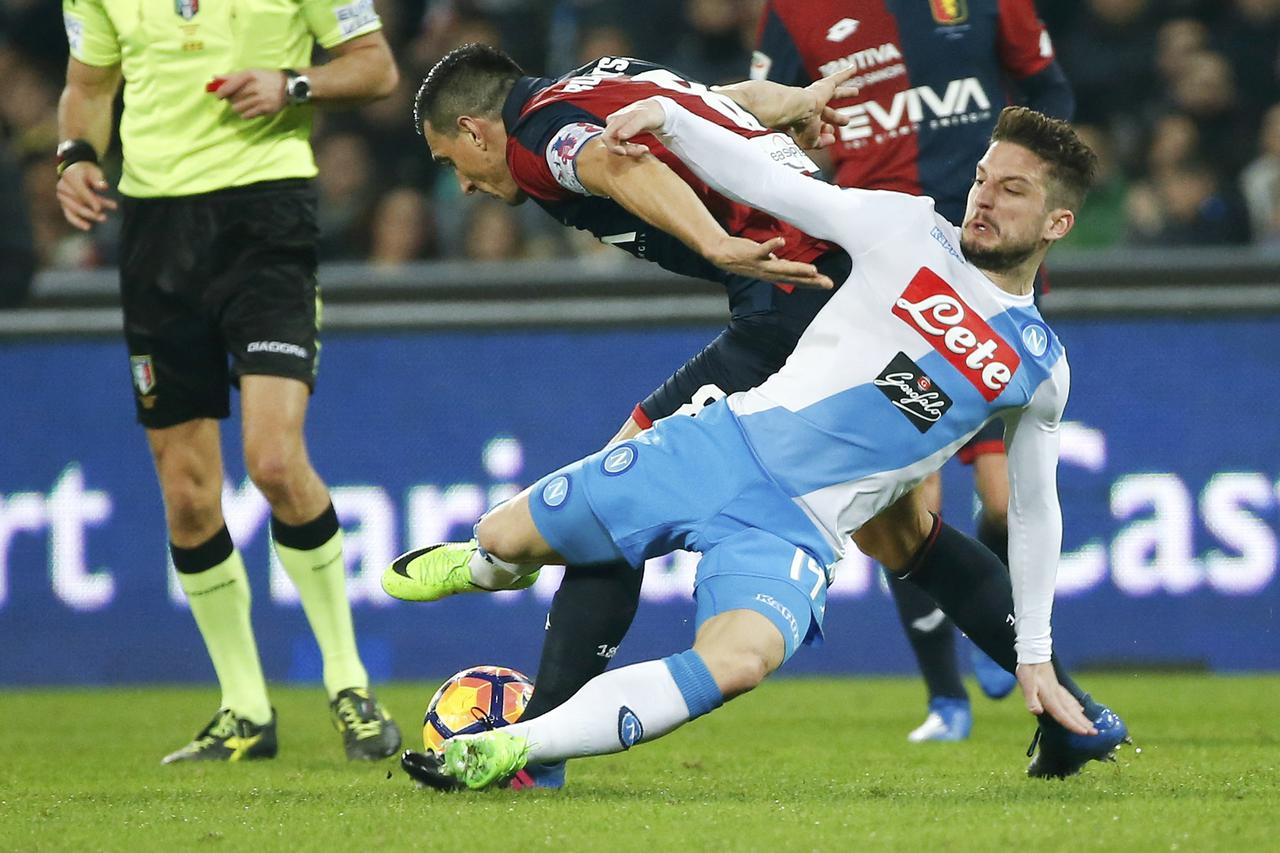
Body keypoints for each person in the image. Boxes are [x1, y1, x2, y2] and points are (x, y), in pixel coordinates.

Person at [390, 100, 1129, 791]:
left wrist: (1035, 653)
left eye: (1012, 191)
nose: (984, 200)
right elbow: (768, 181)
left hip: (795, 530)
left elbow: (1034, 513)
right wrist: (673, 120)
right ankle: (493, 563)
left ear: (1058, 223)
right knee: (506, 534)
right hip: (715, 447)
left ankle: (521, 744)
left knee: (739, 660)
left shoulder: (1039, 367)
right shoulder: (908, 229)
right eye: (980, 180)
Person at [401, 43, 853, 789]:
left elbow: (617, 165)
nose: (465, 186)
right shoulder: (604, 78)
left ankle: (508, 621)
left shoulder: (543, 140)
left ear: (478, 131)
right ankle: (1062, 705)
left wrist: (714, 241)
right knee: (908, 537)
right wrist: (796, 103)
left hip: (794, 307)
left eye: (453, 161)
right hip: (835, 294)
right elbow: (715, 102)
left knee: (609, 502)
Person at [56, 0, 402, 763]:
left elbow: (377, 67)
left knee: (273, 461)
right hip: (155, 232)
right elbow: (89, 84)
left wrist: (293, 86)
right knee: (185, 489)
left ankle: (350, 684)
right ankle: (244, 707)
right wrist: (77, 153)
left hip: (264, 219)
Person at [751, 0, 1076, 740]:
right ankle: (945, 698)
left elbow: (1048, 89)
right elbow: (763, 119)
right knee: (908, 491)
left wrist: (1032, 182)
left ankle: (1004, 630)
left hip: (987, 265)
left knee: (1002, 495)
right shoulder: (794, 12)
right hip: (893, 271)